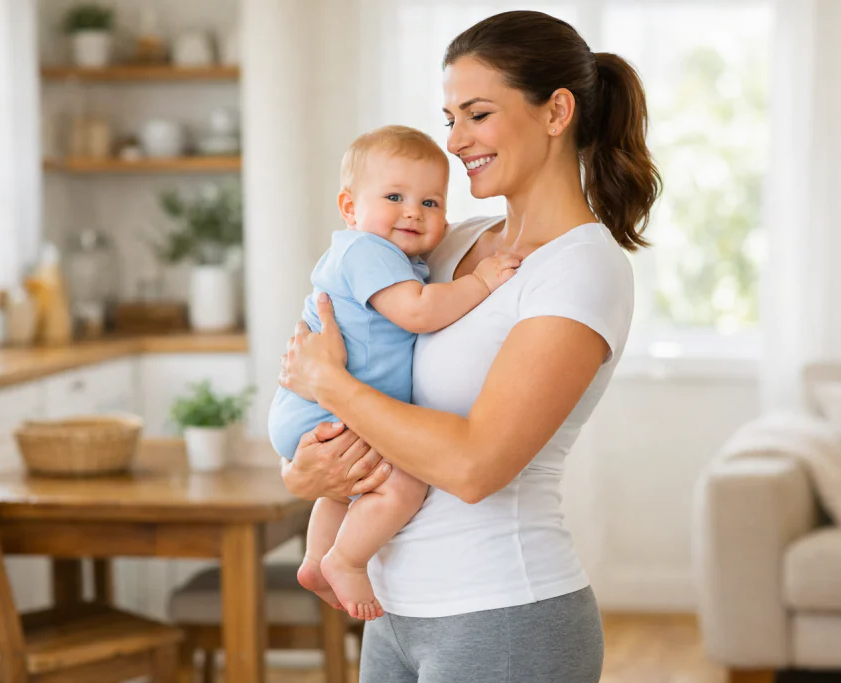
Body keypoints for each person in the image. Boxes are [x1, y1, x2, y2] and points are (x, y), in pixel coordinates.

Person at [279, 10, 660, 682]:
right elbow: (362, 385)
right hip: (393, 611)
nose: (455, 141)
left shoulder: (581, 269)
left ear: (556, 112)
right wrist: (306, 473)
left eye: (477, 115)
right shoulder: (448, 244)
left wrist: (330, 384)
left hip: (503, 616)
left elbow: (475, 465)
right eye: (450, 117)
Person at [267, 125, 520, 621]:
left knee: (349, 491)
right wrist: (481, 282)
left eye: (430, 202)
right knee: (402, 484)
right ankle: (347, 559)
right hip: (322, 408)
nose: (413, 212)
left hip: (314, 408)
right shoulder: (367, 251)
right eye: (394, 197)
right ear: (350, 208)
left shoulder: (394, 256)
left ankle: (317, 561)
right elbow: (419, 311)